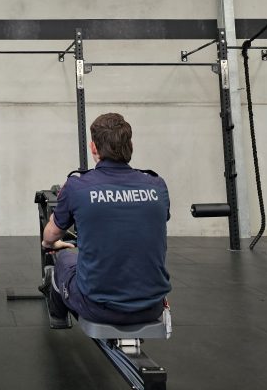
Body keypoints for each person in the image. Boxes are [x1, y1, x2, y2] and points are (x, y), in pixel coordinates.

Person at [40, 112, 171, 325]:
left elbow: (51, 235)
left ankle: (58, 316)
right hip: (152, 306)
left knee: (64, 260)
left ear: (93, 147)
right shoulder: (157, 185)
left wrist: (49, 243)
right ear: (131, 145)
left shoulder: (77, 186)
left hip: (97, 308)